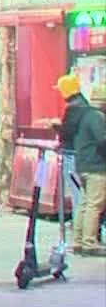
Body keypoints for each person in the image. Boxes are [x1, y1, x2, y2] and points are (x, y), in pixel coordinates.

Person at [63, 76, 106, 255]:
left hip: (83, 164)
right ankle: (90, 242)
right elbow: (102, 140)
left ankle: (78, 241)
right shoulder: (97, 117)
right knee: (95, 205)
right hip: (96, 166)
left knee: (84, 203)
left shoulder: (85, 114)